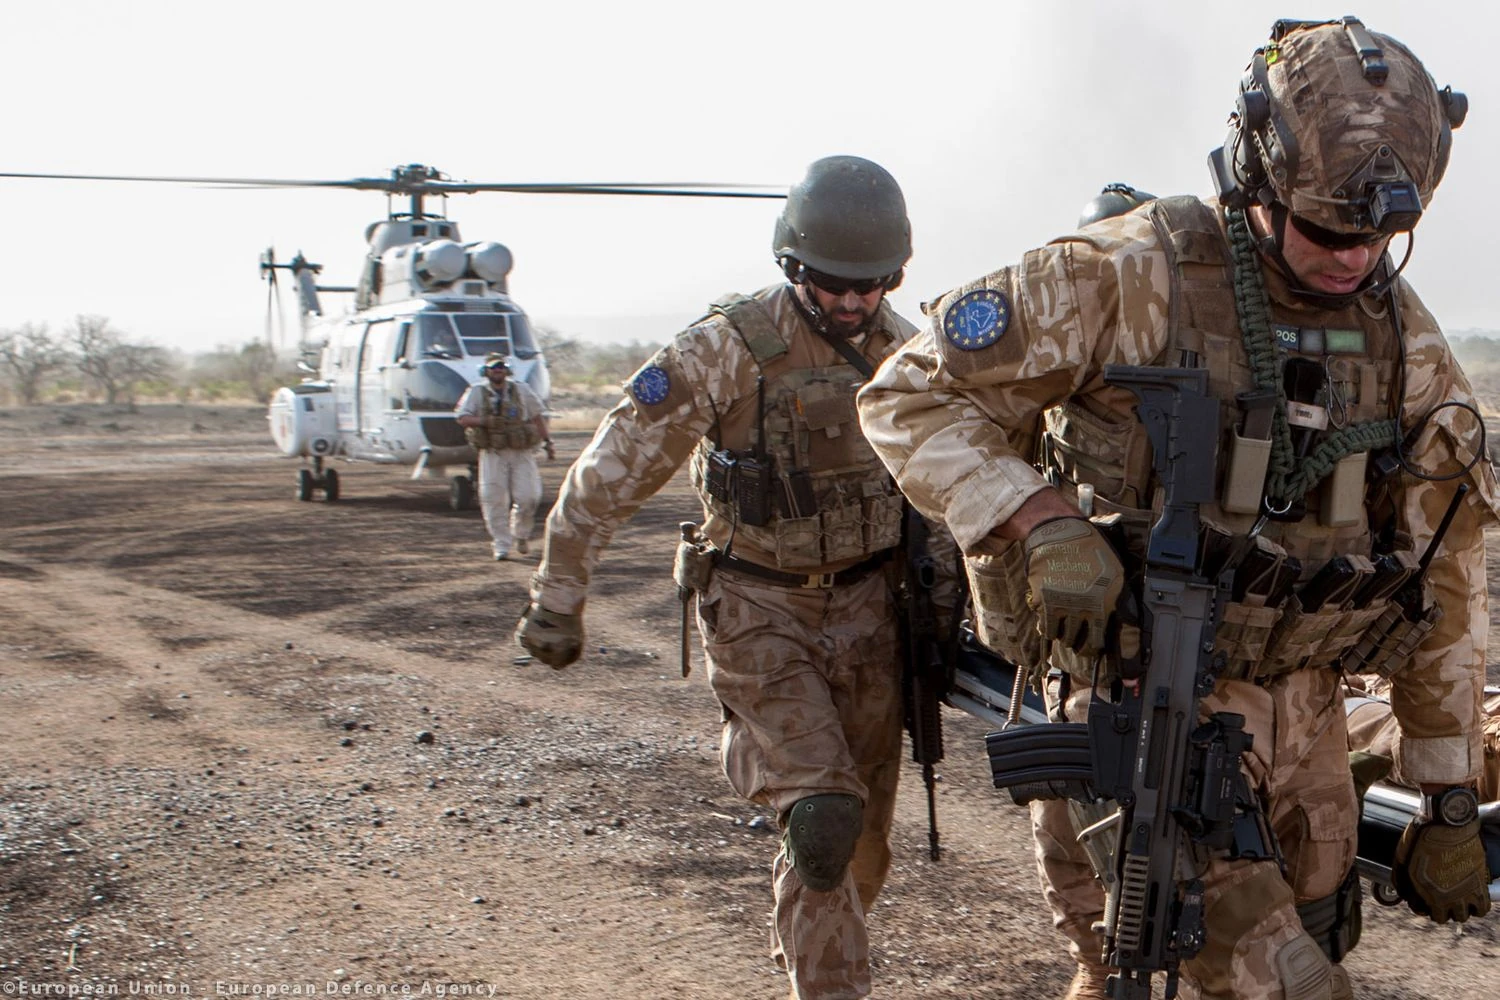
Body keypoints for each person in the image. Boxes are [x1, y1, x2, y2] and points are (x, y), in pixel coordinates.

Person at [857, 17, 1496, 1000]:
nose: (1354, 259)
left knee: (1312, 945)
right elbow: (908, 393)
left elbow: (1442, 568)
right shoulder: (1128, 274)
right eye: (1330, 231)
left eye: (1380, 238)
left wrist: (1447, 790)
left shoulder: (1398, 333)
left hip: (1309, 721)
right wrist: (1038, 518)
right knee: (1273, 984)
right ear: (1258, 176)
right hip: (1145, 700)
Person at [516, 155, 930, 999]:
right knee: (822, 820)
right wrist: (559, 596)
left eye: (874, 283)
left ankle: (815, 942)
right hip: (757, 609)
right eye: (833, 283)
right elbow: (610, 472)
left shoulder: (908, 354)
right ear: (792, 262)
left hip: (872, 614)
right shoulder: (724, 351)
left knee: (860, 851)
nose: (854, 302)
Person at [454, 353, 552, 561]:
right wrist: (485, 421)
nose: (497, 370)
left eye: (501, 367)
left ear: (507, 370)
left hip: (521, 452)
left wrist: (547, 442)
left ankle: (521, 534)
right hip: (493, 453)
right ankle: (501, 544)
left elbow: (537, 416)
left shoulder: (522, 390)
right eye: (493, 367)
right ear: (486, 371)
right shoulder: (477, 392)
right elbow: (462, 418)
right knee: (494, 499)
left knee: (529, 497)